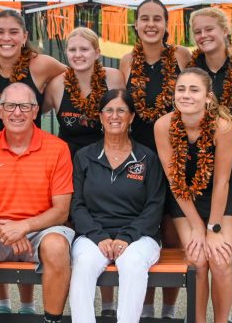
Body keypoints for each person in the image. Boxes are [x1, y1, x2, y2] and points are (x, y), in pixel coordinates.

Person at [0, 9, 67, 313]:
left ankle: (29, 305)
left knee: (29, 210)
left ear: (24, 37)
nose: (6, 38)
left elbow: (73, 77)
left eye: (13, 32)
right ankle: (3, 303)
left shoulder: (41, 64)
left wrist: (41, 108)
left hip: (30, 141)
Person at [0, 82, 74, 323]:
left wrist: (25, 227)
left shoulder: (58, 148)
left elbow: (61, 211)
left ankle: (52, 320)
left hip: (42, 230)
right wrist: (4, 228)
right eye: (9, 106)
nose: (16, 112)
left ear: (35, 111)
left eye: (24, 106)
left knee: (57, 247)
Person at [118, 0, 191, 319]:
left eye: (157, 19)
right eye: (144, 19)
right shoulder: (125, 61)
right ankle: (145, 308)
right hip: (139, 158)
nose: (150, 24)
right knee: (144, 231)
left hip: (176, 154)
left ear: (166, 24)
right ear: (136, 25)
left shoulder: (181, 56)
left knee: (174, 233)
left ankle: (170, 309)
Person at [187, 7, 232, 323]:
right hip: (203, 171)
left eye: (209, 29)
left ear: (226, 30)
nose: (204, 36)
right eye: (198, 31)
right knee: (202, 245)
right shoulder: (192, 70)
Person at [69, 89, 166, 323]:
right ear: (101, 117)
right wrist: (97, 235)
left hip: (139, 236)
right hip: (93, 235)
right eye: (109, 110)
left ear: (131, 117)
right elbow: (77, 204)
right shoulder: (84, 156)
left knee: (132, 263)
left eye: (121, 110)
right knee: (84, 264)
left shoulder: (147, 158)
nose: (115, 116)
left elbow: (155, 206)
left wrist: (127, 236)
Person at [154, 67, 232, 323]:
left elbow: (222, 182)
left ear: (207, 98)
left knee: (221, 260)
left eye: (194, 90)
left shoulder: (222, 127)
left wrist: (212, 228)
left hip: (218, 200)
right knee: (198, 260)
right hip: (184, 200)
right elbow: (174, 180)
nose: (186, 95)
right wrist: (196, 226)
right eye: (181, 89)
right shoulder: (163, 125)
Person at [43, 27, 125, 158]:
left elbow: (127, 117)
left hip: (106, 160)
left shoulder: (114, 78)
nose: (77, 55)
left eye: (84, 49)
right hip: (69, 161)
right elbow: (34, 112)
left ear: (97, 53)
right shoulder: (56, 85)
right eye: (72, 50)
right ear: (66, 53)